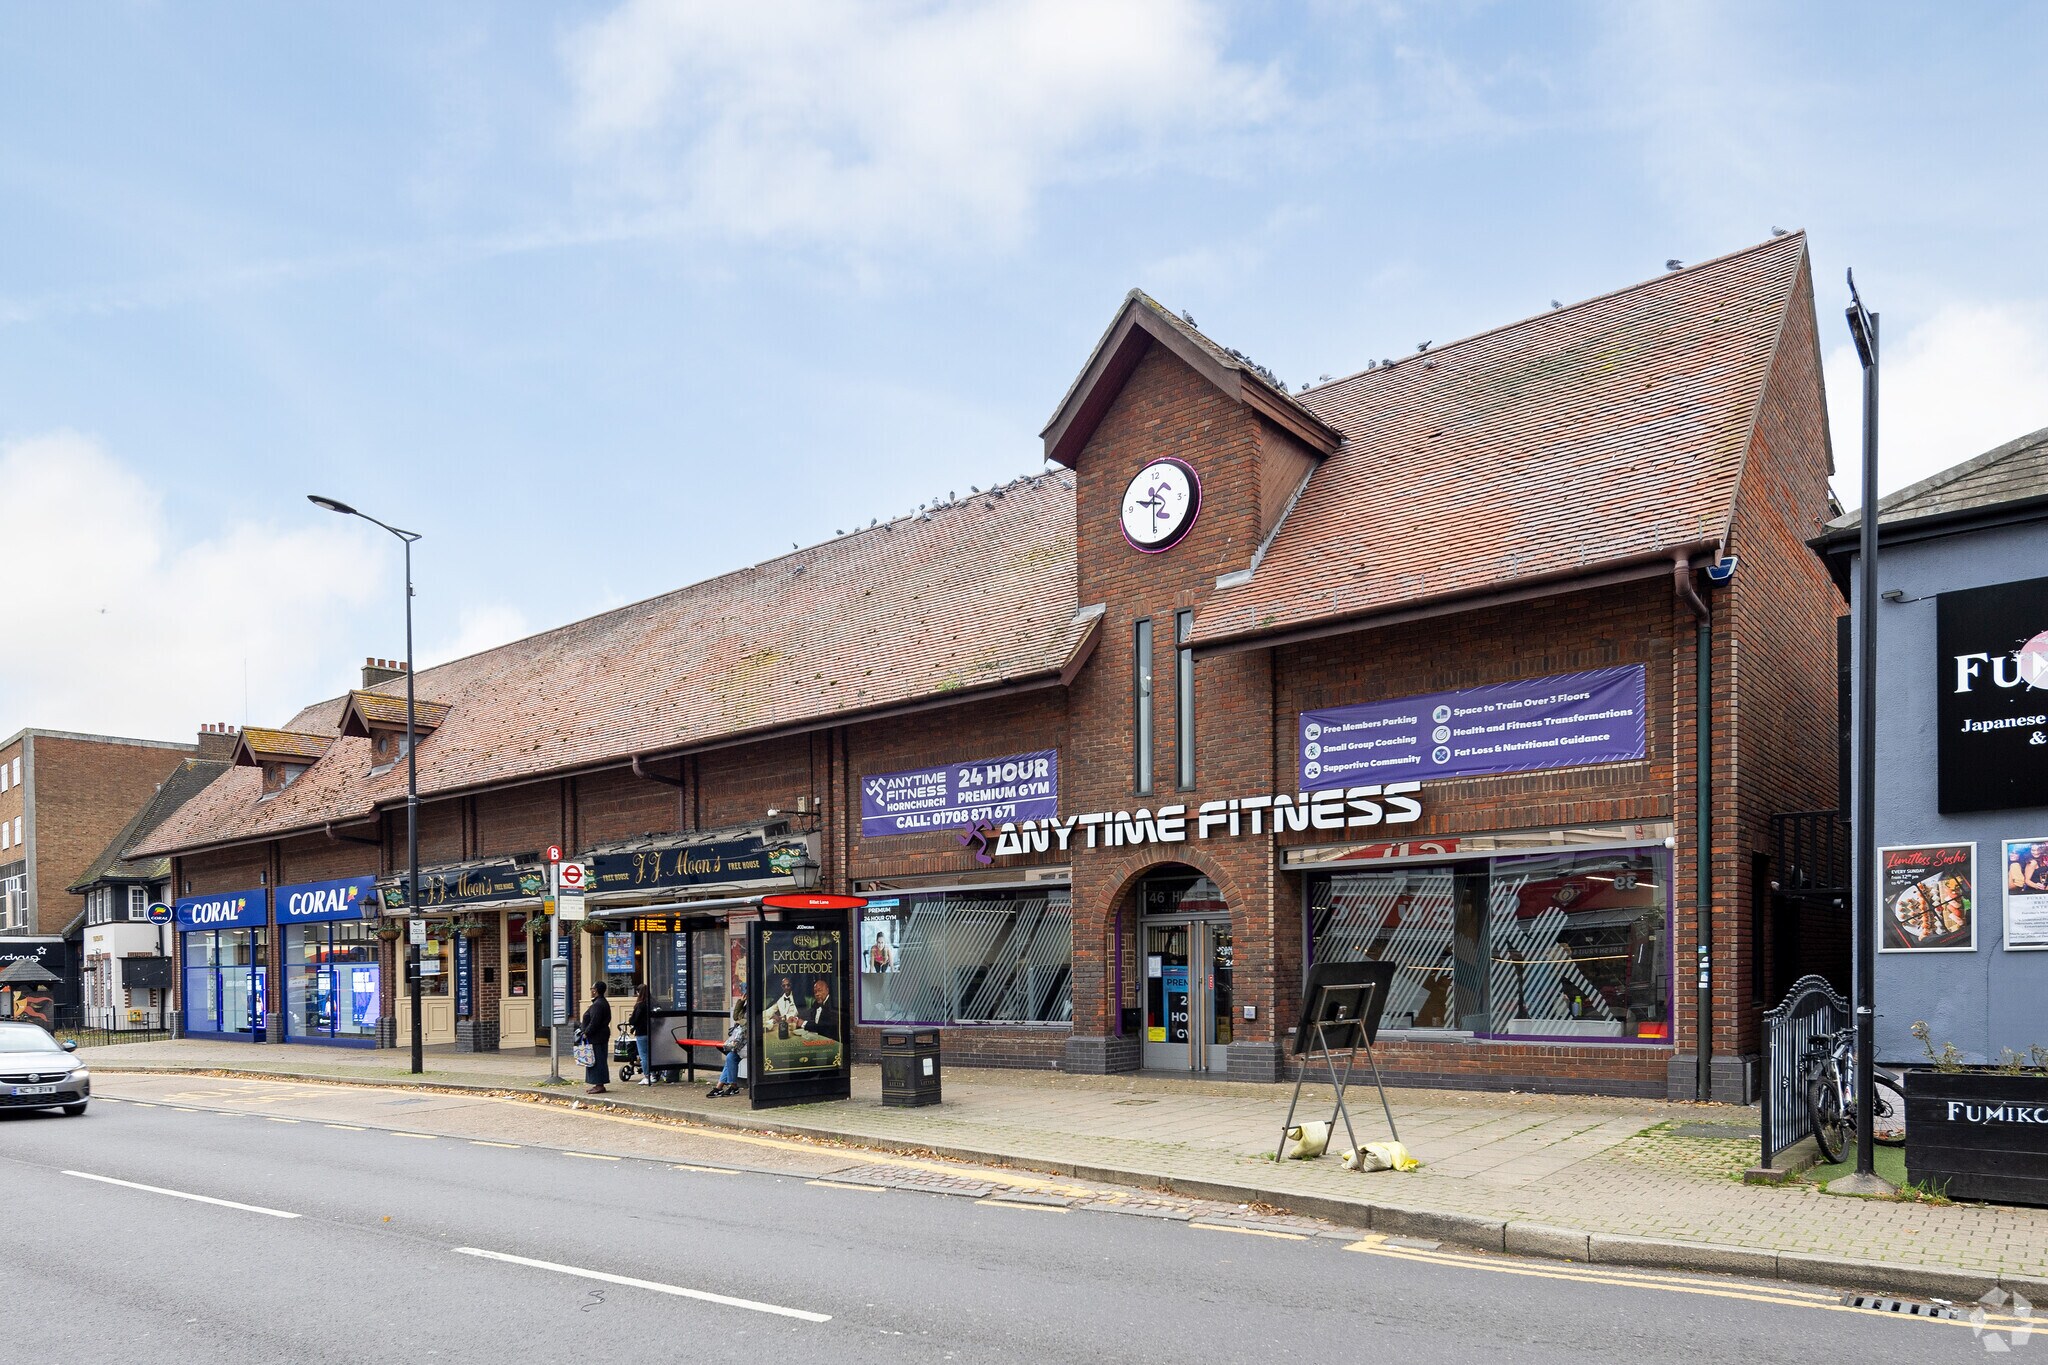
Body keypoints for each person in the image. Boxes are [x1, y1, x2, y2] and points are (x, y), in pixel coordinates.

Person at [709, 991, 748, 1098]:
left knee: (731, 1058)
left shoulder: (759, 1006)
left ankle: (724, 1087)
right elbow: (736, 1017)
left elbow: (749, 1021)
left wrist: (741, 1022)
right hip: (741, 1042)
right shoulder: (746, 1006)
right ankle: (727, 1087)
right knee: (730, 1058)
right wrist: (741, 1002)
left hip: (751, 1042)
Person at [580, 981, 613, 1095]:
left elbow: (594, 1022)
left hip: (597, 1037)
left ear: (596, 990)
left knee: (597, 1060)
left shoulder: (598, 1004)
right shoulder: (602, 1002)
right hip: (600, 1035)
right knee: (598, 1059)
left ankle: (599, 1085)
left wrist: (586, 1033)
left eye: (592, 988)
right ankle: (598, 1084)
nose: (591, 990)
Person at [627, 983, 653, 1085]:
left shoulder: (640, 1005)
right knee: (652, 1054)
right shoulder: (652, 1003)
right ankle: (654, 1074)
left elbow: (633, 1020)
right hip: (653, 1032)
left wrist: (631, 1021)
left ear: (639, 992)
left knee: (644, 1055)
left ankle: (647, 1076)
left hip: (642, 1033)